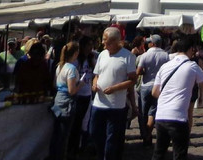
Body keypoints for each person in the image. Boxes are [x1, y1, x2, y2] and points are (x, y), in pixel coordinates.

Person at [153, 37, 203, 160]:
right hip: (178, 117)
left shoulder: (165, 66)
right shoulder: (192, 66)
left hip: (161, 116)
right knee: (179, 154)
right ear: (191, 49)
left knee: (159, 153)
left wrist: (169, 98)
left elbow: (155, 92)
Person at [90, 27, 137, 160]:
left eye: (107, 41)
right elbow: (97, 75)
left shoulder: (128, 56)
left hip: (116, 105)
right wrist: (94, 84)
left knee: (112, 138)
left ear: (116, 41)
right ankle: (101, 155)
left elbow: (133, 80)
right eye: (103, 40)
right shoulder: (102, 54)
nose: (103, 43)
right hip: (99, 103)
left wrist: (115, 88)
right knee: (94, 133)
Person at [136, 34, 171, 146]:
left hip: (146, 85)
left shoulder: (145, 55)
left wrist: (146, 72)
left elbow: (138, 71)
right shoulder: (166, 55)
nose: (147, 44)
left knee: (143, 112)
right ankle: (148, 133)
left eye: (149, 42)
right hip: (158, 86)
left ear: (153, 44)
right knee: (153, 111)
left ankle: (145, 134)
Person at [49, 41, 80, 160]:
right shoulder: (71, 68)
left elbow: (54, 84)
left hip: (58, 99)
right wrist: (81, 84)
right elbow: (72, 90)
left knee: (56, 134)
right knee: (63, 136)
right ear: (75, 53)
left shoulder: (59, 66)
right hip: (67, 102)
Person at [69, 35, 96, 157]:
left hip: (88, 94)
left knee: (85, 121)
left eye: (91, 45)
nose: (90, 47)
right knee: (76, 122)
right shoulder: (76, 61)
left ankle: (82, 146)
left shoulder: (91, 59)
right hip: (78, 94)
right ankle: (73, 148)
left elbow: (94, 74)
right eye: (88, 45)